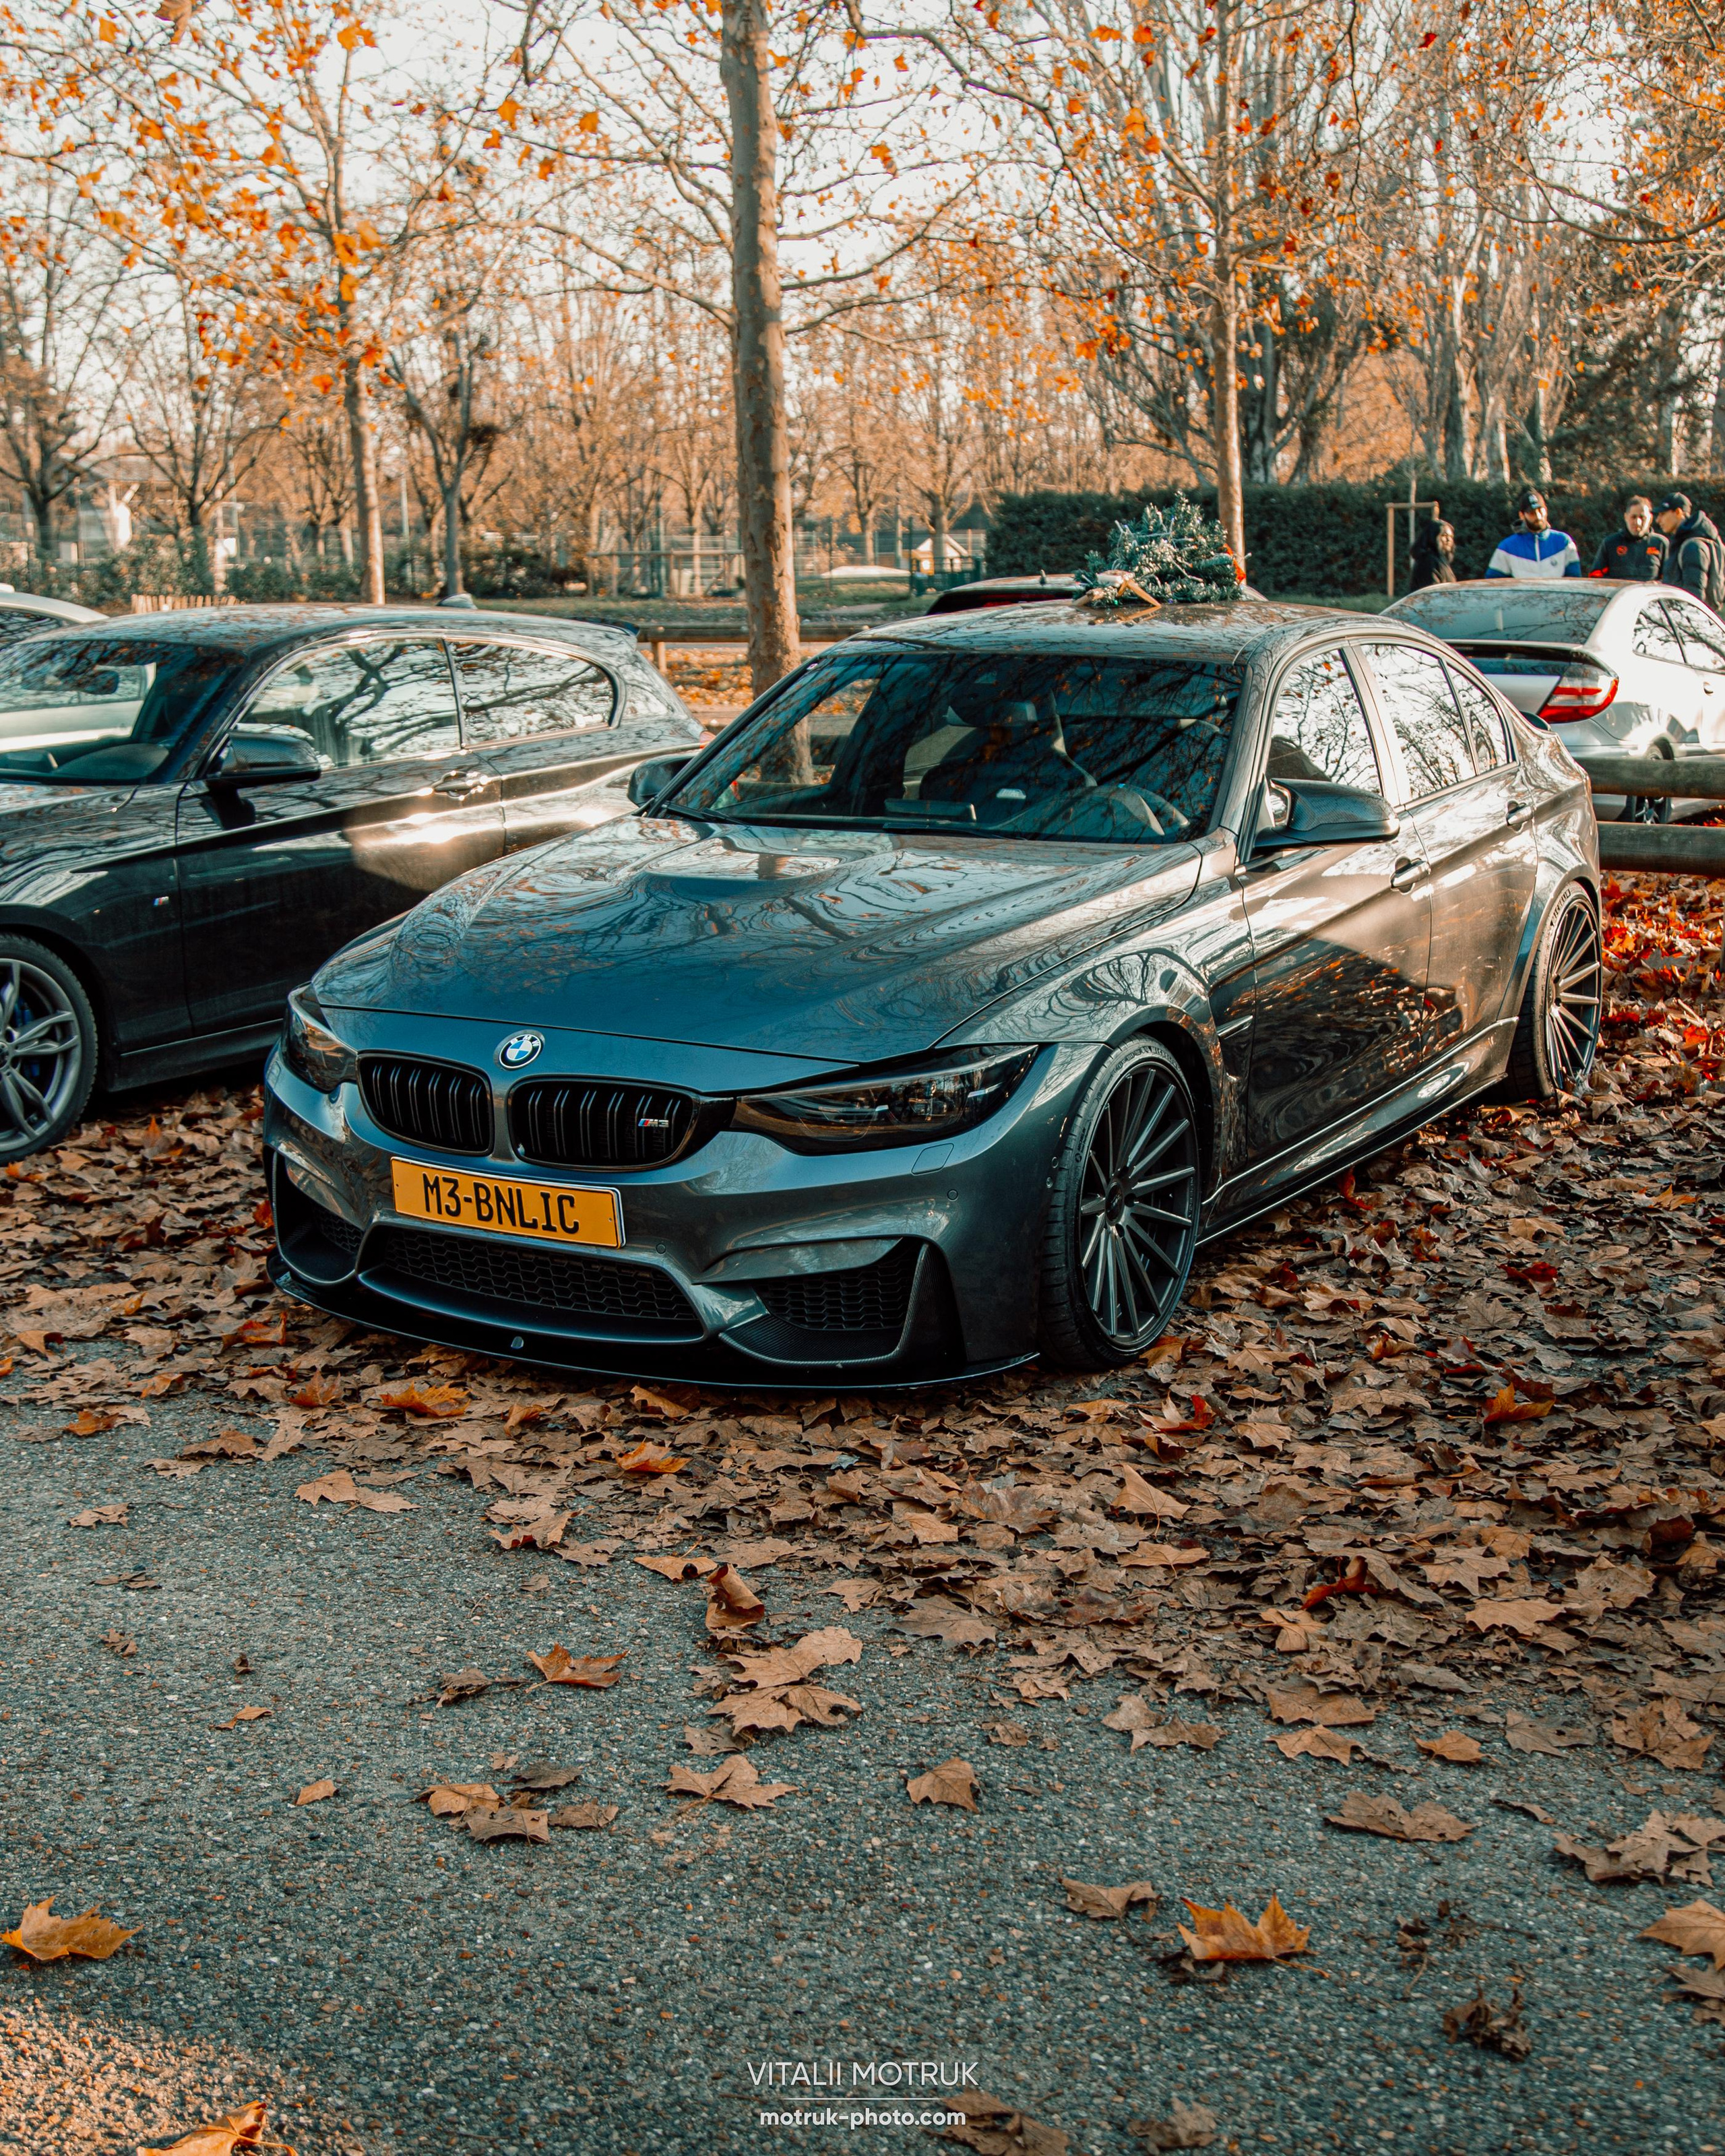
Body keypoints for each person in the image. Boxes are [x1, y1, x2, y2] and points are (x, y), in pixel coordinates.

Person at [1486, 488, 1581, 579]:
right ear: (1522, 515)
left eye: (1541, 510)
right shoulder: (1507, 548)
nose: (1539, 516)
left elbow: (1575, 583)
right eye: (1532, 513)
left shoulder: (1564, 543)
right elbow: (1493, 585)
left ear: (1546, 511)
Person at [1654, 492, 1725, 609]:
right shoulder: (1686, 542)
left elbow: (1695, 599)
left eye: (1662, 514)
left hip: (1686, 622)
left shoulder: (1693, 547)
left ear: (1678, 512)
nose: (1658, 520)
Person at [1590, 496, 1668, 581]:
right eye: (1633, 517)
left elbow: (1670, 579)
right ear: (1626, 517)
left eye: (1642, 517)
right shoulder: (1610, 544)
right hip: (1619, 594)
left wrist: (1656, 585)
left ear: (1651, 519)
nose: (1638, 522)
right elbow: (1595, 577)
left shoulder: (1660, 544)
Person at [1406, 517, 1456, 592]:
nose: (1449, 540)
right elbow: (1433, 594)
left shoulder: (1441, 561)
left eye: (1451, 537)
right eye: (1444, 535)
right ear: (1433, 537)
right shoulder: (1428, 561)